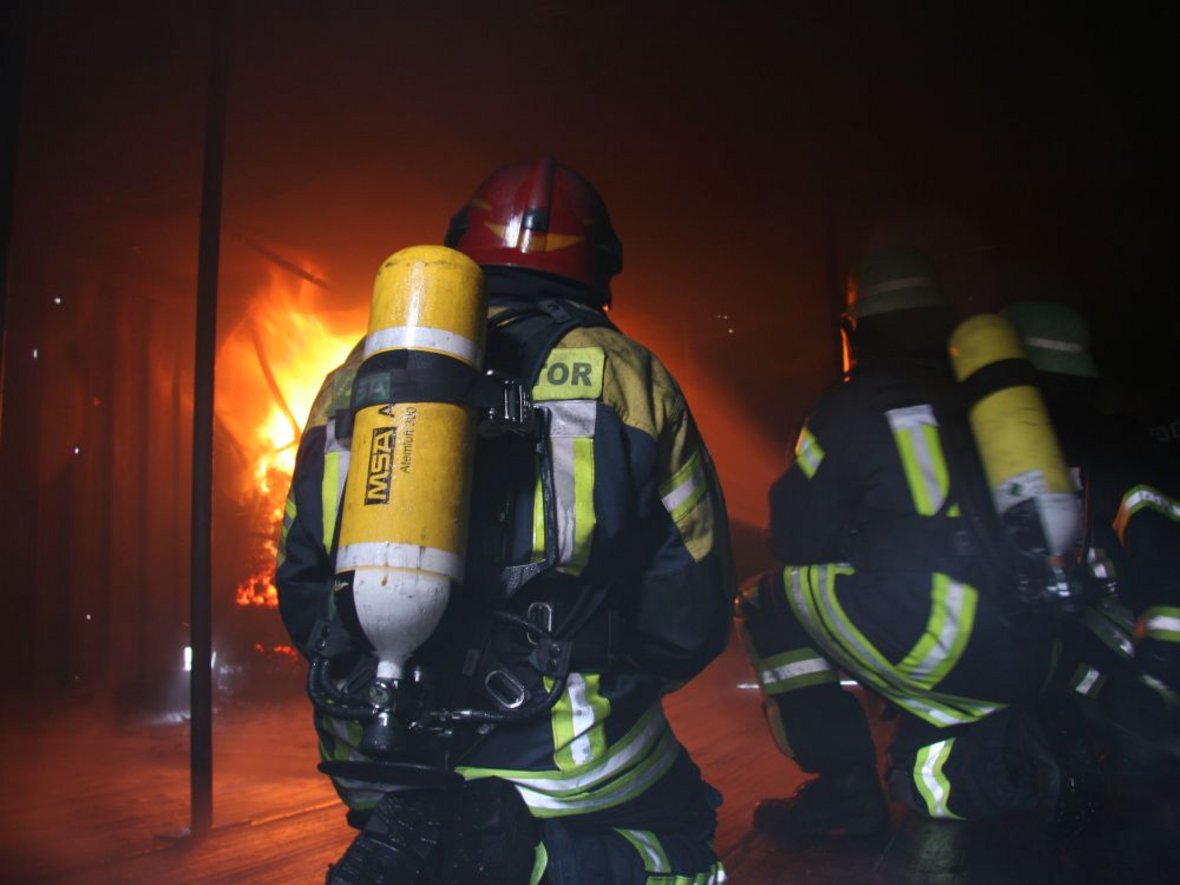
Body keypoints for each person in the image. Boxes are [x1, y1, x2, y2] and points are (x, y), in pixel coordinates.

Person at [276, 157, 734, 884]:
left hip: (374, 746)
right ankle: (524, 863)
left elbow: (300, 578)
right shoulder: (628, 377)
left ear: (465, 240)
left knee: (425, 831)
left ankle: (435, 847)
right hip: (562, 756)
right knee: (683, 838)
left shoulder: (356, 376)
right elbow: (690, 613)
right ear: (600, 264)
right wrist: (606, 667)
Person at [737, 247, 1105, 838]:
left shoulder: (849, 406)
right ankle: (1031, 737)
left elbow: (794, 538)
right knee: (916, 774)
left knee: (766, 600)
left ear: (854, 331)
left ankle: (844, 792)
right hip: (1031, 645)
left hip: (941, 636)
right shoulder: (982, 401)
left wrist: (860, 536)